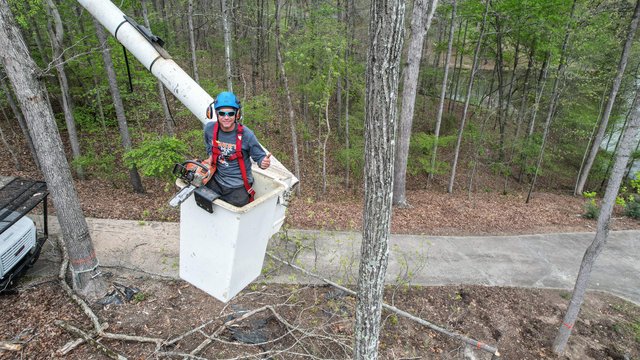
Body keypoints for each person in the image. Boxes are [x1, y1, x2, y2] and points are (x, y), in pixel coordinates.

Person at [203, 91, 271, 207]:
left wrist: (263, 162)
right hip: (216, 180)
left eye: (230, 113)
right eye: (222, 113)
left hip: (238, 185)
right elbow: (209, 146)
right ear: (216, 114)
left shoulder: (247, 135)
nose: (226, 117)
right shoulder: (209, 129)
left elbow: (259, 157)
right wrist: (210, 156)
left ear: (237, 114)